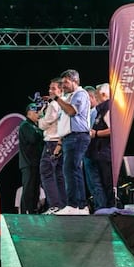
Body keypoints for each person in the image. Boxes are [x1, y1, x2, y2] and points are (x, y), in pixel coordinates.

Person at [54, 69, 91, 215]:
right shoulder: (69, 96)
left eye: (66, 82)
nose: (63, 85)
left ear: (75, 81)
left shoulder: (80, 94)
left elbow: (72, 111)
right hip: (71, 138)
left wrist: (57, 99)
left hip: (78, 136)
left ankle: (74, 205)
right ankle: (81, 207)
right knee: (73, 170)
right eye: (62, 83)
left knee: (70, 170)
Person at [28, 78, 67, 215]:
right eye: (50, 88)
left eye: (54, 88)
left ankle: (56, 205)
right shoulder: (63, 103)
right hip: (59, 141)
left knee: (47, 173)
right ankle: (62, 205)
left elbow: (45, 123)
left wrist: (40, 117)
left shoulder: (54, 104)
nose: (50, 91)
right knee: (58, 174)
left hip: (52, 142)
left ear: (61, 90)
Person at [86, 83, 115, 212]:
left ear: (103, 95)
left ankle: (107, 209)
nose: (95, 99)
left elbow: (114, 129)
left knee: (105, 184)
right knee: (99, 184)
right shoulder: (101, 109)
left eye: (96, 96)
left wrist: (96, 133)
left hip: (104, 152)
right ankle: (102, 209)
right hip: (98, 153)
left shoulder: (108, 107)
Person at [18, 102, 44, 214]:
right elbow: (33, 139)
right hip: (28, 163)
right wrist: (41, 132)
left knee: (35, 188)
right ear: (29, 113)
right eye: (36, 112)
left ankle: (34, 209)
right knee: (28, 188)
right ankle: (25, 211)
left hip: (36, 162)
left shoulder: (35, 126)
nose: (38, 114)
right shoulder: (25, 125)